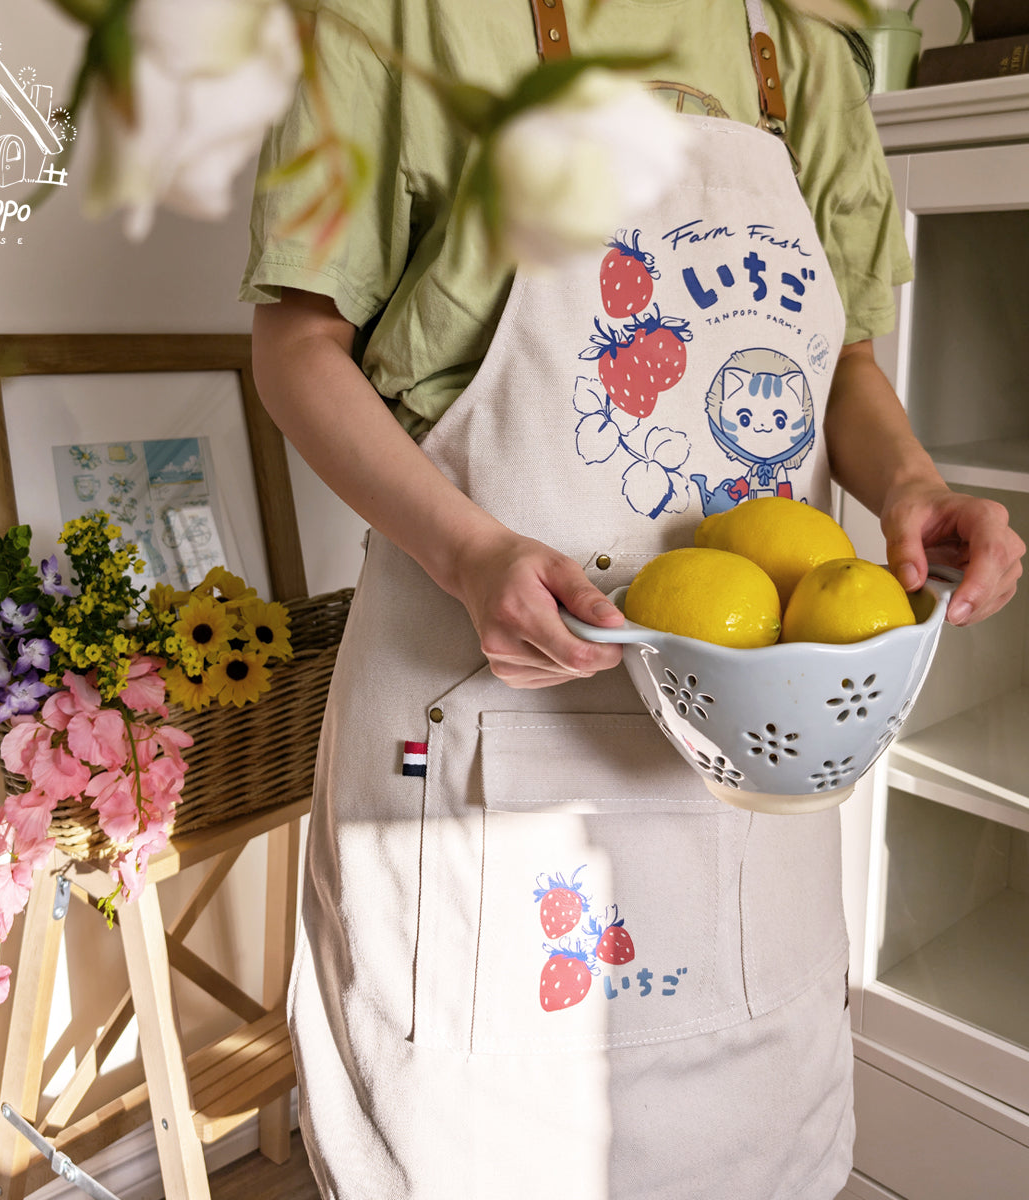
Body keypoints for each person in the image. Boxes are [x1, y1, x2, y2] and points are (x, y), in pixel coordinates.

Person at [241, 2, 1026, 1197]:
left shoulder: (802, 50)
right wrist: (466, 555)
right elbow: (297, 347)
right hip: (480, 719)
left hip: (741, 765)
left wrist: (912, 483)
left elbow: (846, 361)